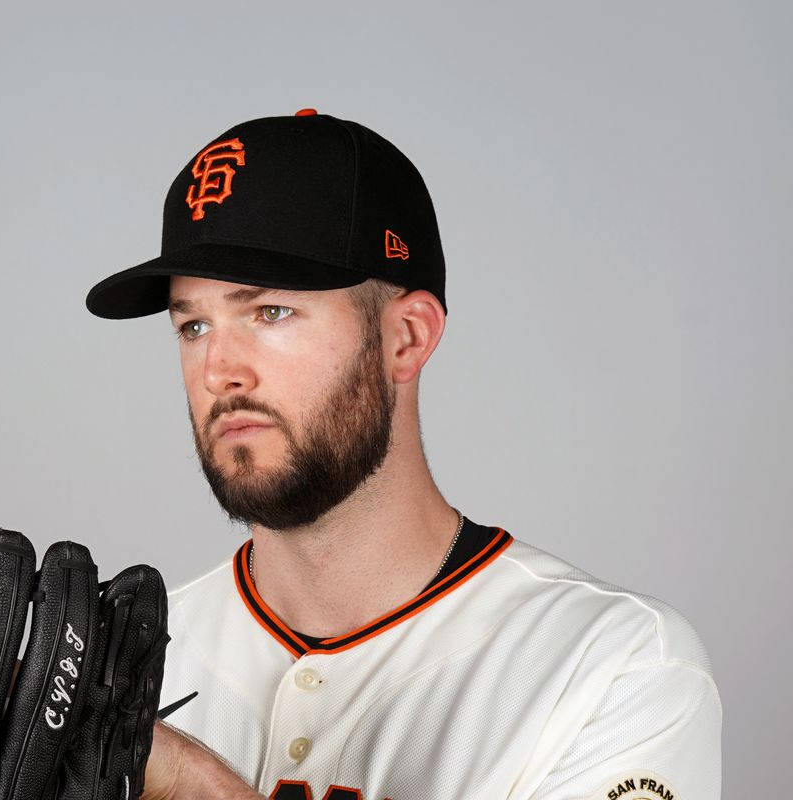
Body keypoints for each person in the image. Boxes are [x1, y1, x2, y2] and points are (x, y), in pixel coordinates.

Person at [84, 109, 721, 800]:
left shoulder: (610, 667)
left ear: (407, 338)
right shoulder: (125, 662)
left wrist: (190, 785)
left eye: (269, 313)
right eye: (195, 324)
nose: (218, 370)